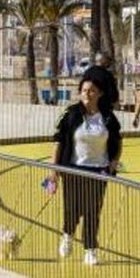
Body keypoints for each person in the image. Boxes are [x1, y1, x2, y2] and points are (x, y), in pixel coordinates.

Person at [47, 77, 122, 267]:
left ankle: (90, 250)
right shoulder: (71, 114)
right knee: (72, 209)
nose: (87, 94)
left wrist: (114, 161)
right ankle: (67, 235)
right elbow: (59, 141)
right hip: (73, 169)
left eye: (92, 91)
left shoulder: (107, 117)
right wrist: (53, 171)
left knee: (92, 211)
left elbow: (117, 141)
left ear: (100, 94)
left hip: (99, 171)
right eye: (84, 90)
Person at [83, 51, 120, 116]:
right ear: (103, 61)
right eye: (107, 60)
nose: (109, 63)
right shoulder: (107, 75)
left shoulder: (87, 73)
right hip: (103, 106)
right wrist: (114, 102)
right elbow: (112, 93)